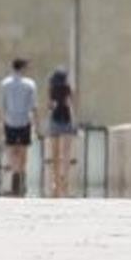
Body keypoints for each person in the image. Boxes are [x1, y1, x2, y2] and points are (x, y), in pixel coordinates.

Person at [0, 58, 38, 197]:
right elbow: (33, 107)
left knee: (12, 151)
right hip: (24, 121)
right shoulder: (30, 85)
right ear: (23, 68)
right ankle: (21, 176)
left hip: (10, 121)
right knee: (23, 152)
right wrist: (36, 125)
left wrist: (1, 123)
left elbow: (2, 106)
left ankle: (15, 176)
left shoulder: (4, 84)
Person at [45, 67, 77, 198]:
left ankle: (55, 182)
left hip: (55, 119)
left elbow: (49, 105)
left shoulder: (51, 89)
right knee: (66, 154)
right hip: (67, 119)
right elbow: (73, 104)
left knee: (55, 154)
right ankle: (66, 181)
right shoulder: (68, 88)